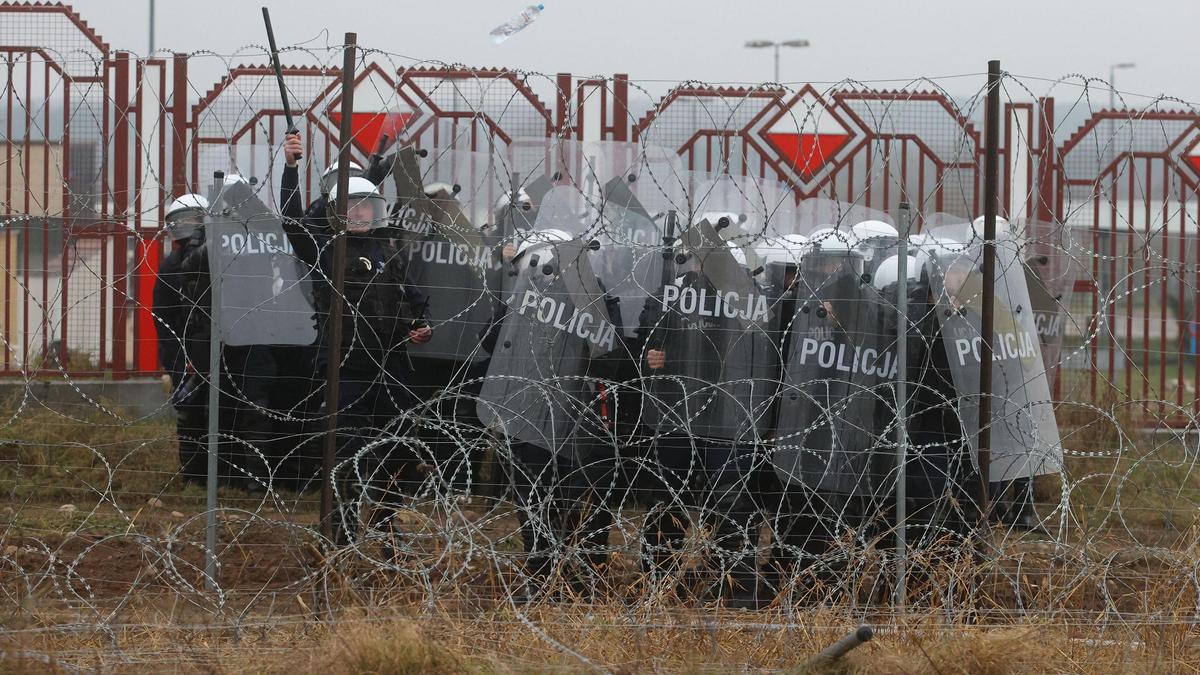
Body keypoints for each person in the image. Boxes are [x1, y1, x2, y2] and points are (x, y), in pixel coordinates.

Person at [280, 132, 432, 545]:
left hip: (391, 363)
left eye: (368, 205)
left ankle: (384, 520)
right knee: (345, 451)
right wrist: (291, 169)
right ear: (337, 212)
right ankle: (342, 528)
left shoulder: (388, 248)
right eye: (353, 206)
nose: (362, 212)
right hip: (346, 364)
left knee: (400, 446)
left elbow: (413, 299)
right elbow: (292, 221)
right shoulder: (326, 247)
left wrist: (420, 325)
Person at [154, 194, 210, 486]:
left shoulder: (218, 260)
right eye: (181, 220)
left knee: (224, 414)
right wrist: (179, 364)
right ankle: (192, 476)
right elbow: (163, 320)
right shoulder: (170, 267)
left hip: (220, 352)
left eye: (192, 218)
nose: (187, 226)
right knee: (189, 415)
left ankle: (225, 476)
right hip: (186, 356)